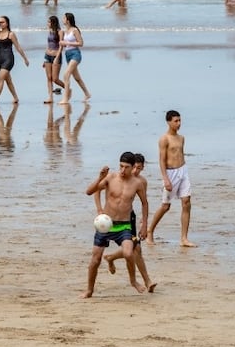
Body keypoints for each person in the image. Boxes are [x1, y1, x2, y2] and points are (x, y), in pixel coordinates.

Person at [83, 152, 149, 298]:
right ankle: (89, 290)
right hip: (106, 224)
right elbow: (89, 191)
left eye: (126, 167)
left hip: (124, 225)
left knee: (128, 252)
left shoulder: (138, 183)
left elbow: (144, 203)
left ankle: (133, 281)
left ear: (133, 168)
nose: (122, 170)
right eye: (120, 166)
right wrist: (100, 177)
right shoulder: (111, 178)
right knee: (95, 259)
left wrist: (144, 225)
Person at [103, 153, 156, 292]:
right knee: (134, 249)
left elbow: (144, 202)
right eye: (134, 168)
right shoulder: (119, 178)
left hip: (131, 218)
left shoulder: (142, 182)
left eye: (139, 168)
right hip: (119, 218)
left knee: (136, 249)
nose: (135, 171)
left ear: (142, 168)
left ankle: (147, 281)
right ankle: (111, 258)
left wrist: (144, 224)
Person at [146, 109, 195, 246]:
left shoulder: (181, 138)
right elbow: (161, 160)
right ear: (168, 122)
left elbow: (181, 154)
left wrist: (184, 172)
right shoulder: (164, 139)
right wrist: (166, 179)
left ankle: (184, 238)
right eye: (176, 121)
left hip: (183, 171)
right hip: (170, 173)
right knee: (165, 206)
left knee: (186, 202)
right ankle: (150, 231)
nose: (178, 123)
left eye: (180, 120)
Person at [0, 16, 29, 104]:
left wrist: (25, 58)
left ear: (7, 23)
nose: (1, 24)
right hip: (0, 59)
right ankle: (16, 98)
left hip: (9, 59)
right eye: (0, 22)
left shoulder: (11, 34)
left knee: (0, 79)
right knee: (8, 80)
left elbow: (18, 47)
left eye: (3, 22)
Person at [57, 12, 91, 103]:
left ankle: (65, 98)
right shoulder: (65, 31)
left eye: (63, 18)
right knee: (77, 77)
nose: (62, 20)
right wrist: (62, 44)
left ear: (68, 20)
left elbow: (81, 43)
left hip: (75, 54)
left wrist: (67, 43)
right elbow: (64, 45)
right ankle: (87, 94)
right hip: (67, 54)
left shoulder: (75, 30)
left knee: (66, 75)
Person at [42, 15, 67, 102]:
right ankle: (50, 97)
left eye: (49, 22)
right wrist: (44, 59)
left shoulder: (60, 32)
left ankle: (67, 88)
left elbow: (61, 45)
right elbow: (48, 44)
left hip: (56, 55)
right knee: (49, 78)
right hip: (47, 55)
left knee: (55, 79)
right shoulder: (50, 31)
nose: (48, 24)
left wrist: (57, 57)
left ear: (53, 22)